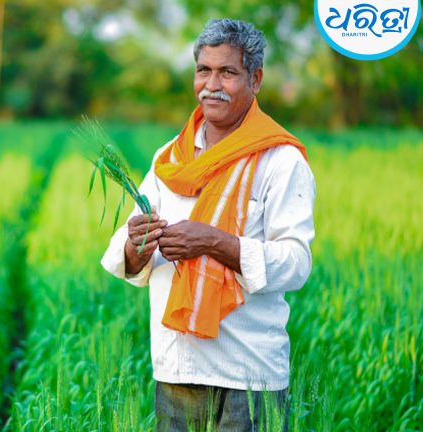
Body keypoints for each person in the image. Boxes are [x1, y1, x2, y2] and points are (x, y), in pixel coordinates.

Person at [100, 18, 315, 431]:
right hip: (177, 366)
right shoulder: (170, 157)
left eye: (227, 72)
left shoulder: (281, 160)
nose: (211, 85)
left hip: (249, 371)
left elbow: (296, 263)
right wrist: (135, 244)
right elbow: (128, 248)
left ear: (255, 79)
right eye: (204, 70)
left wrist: (215, 242)